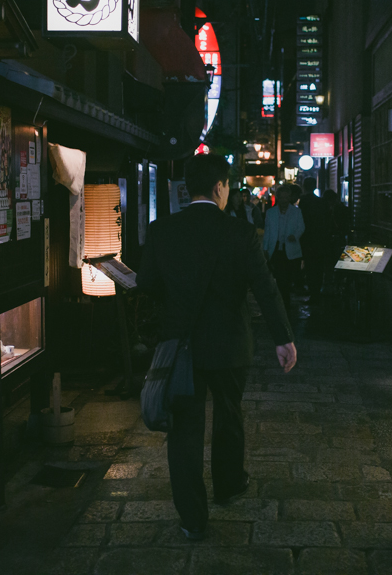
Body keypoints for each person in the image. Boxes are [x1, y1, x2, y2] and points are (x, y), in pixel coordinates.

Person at [137, 154, 297, 541]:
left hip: (182, 347)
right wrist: (283, 338)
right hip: (229, 343)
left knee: (185, 430)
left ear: (187, 189)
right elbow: (265, 286)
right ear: (219, 187)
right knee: (229, 415)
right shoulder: (238, 232)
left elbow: (148, 287)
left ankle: (192, 517)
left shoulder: (163, 231)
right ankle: (227, 485)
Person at [262, 185, 306, 311]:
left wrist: (295, 236)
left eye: (286, 197)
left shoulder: (296, 212)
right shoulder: (271, 213)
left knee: (288, 278)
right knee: (281, 279)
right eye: (281, 197)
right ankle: (284, 303)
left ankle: (284, 301)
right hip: (276, 250)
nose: (284, 200)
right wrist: (265, 248)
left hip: (291, 249)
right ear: (278, 198)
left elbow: (301, 227)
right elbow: (268, 232)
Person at [297, 177, 329, 299]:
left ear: (304, 187)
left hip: (307, 239)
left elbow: (302, 221)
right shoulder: (321, 202)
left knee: (310, 267)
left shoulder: (304, 201)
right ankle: (317, 292)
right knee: (319, 267)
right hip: (320, 239)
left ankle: (313, 293)